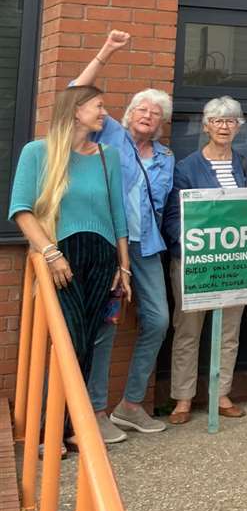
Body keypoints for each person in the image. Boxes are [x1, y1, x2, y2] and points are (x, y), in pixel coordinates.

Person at [70, 30, 174, 440]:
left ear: (162, 124)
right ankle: (95, 410)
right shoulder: (109, 135)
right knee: (105, 326)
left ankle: (130, 404)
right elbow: (76, 94)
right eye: (141, 110)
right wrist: (107, 52)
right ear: (128, 114)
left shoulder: (166, 156)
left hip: (147, 250)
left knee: (158, 320)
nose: (147, 116)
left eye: (155, 113)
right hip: (109, 245)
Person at [9, 86, 130, 436]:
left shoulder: (106, 155)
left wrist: (124, 267)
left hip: (103, 256)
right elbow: (21, 210)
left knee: (88, 339)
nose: (104, 112)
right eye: (98, 106)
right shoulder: (38, 152)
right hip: (61, 256)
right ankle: (51, 428)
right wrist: (50, 252)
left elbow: (117, 214)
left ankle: (68, 427)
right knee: (69, 340)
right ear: (76, 111)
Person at [164, 96, 247, 423]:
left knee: (229, 332)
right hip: (194, 263)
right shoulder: (186, 168)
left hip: (234, 263)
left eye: (231, 120)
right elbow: (173, 218)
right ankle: (183, 399)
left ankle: (221, 393)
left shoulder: (244, 165)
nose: (224, 126)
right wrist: (193, 247)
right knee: (188, 330)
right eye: (217, 120)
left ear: (238, 126)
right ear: (206, 126)